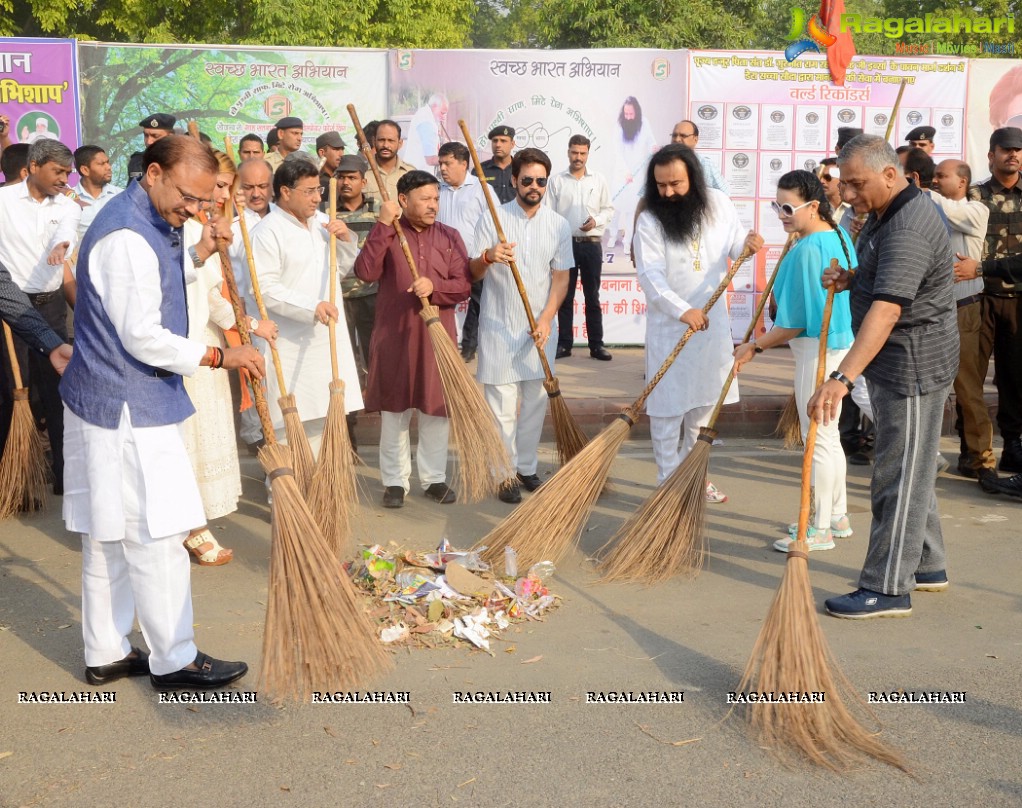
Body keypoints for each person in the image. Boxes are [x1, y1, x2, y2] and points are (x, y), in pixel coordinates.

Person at [60, 135, 264, 688]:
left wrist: (197, 255)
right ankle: (174, 658)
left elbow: (159, 290)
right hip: (130, 403)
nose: (195, 211)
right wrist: (222, 355)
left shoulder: (150, 219)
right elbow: (143, 334)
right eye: (190, 198)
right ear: (153, 173)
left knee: (109, 531)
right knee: (159, 531)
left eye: (204, 202)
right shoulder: (127, 235)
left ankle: (105, 651)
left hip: (106, 399)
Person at [809, 134, 957, 619]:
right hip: (897, 361)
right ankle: (929, 565)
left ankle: (888, 587)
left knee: (897, 475)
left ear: (890, 175)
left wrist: (841, 378)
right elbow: (885, 282)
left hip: (912, 363)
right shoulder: (886, 212)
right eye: (844, 184)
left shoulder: (909, 226)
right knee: (910, 464)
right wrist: (852, 280)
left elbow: (889, 310)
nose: (848, 195)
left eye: (856, 184)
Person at [734, 170, 856, 551]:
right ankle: (836, 516)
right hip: (838, 349)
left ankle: (817, 530)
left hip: (816, 352)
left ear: (813, 206)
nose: (782, 215)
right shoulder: (837, 236)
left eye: (787, 208)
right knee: (829, 437)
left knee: (817, 439)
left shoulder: (807, 248)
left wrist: (755, 347)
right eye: (777, 206)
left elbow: (795, 322)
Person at [633, 144, 763, 502]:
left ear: (693, 176)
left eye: (675, 184)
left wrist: (746, 244)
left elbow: (734, 243)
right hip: (670, 327)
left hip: (712, 326)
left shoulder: (718, 203)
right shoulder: (650, 219)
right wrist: (681, 310)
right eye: (660, 186)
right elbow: (650, 276)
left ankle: (694, 479)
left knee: (704, 406)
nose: (668, 193)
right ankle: (667, 483)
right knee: (667, 409)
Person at [180, 150, 276, 566]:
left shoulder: (208, 225)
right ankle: (188, 526)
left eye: (226, 188)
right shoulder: (185, 228)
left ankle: (192, 520)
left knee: (209, 432)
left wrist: (249, 325)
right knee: (189, 437)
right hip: (190, 342)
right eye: (216, 186)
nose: (221, 195)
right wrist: (251, 327)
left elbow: (218, 295)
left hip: (211, 339)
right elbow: (202, 291)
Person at [353, 170, 471, 508]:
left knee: (436, 410)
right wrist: (382, 226)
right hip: (394, 336)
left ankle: (433, 478)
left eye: (436, 198)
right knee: (395, 411)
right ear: (403, 201)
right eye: (425, 199)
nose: (433, 205)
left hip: (437, 337)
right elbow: (365, 273)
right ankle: (394, 481)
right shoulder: (388, 234)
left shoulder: (449, 237)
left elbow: (463, 285)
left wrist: (436, 287)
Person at [469, 147, 573, 504]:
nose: (534, 186)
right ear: (513, 180)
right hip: (499, 326)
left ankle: (526, 468)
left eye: (541, 181)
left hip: (538, 330)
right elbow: (472, 272)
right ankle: (503, 473)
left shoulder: (558, 224)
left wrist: (546, 319)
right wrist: (488, 257)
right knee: (501, 406)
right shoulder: (493, 218)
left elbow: (560, 279)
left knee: (534, 403)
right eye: (526, 179)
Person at [248, 155, 363, 454]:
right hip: (288, 341)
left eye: (319, 191)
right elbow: (264, 288)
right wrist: (311, 306)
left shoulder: (324, 223)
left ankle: (321, 493)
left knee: (325, 421)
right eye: (309, 191)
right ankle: (289, 495)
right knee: (290, 426)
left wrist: (348, 239)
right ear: (286, 192)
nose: (316, 198)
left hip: (325, 342)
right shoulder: (267, 231)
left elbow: (343, 268)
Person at [0, 138, 81, 492]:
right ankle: (11, 481)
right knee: (11, 392)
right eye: (57, 171)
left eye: (67, 172)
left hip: (50, 307)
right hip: (9, 308)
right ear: (33, 167)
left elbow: (65, 235)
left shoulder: (68, 207)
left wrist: (61, 247)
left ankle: (66, 477)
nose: (64, 179)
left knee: (57, 392)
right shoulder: (2, 202)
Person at [960, 127, 1022, 478]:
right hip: (977, 299)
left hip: (1018, 300)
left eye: (1018, 150)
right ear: (991, 155)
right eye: (1005, 150)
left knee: (1015, 377)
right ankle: (972, 450)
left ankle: (1013, 444)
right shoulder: (974, 195)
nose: (1012, 155)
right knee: (970, 377)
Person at [931, 159, 996, 492]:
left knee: (968, 388)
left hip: (964, 310)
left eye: (942, 176)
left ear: (962, 182)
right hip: (933, 311)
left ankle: (983, 459)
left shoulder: (975, 211)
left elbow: (940, 205)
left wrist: (911, 187)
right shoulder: (929, 208)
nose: (935, 181)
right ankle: (947, 457)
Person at [546, 134, 614, 361]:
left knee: (592, 296)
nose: (578, 157)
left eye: (582, 153)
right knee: (564, 297)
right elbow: (548, 215)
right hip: (565, 245)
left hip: (591, 246)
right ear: (568, 152)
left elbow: (608, 210)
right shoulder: (556, 181)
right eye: (574, 152)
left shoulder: (598, 180)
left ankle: (597, 345)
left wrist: (596, 221)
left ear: (588, 153)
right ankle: (564, 344)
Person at [332, 153, 379, 452]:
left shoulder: (377, 216)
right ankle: (348, 436)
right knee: (345, 367)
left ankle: (391, 435)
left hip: (373, 296)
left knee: (378, 361)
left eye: (352, 177)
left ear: (364, 181)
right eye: (341, 177)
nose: (346, 182)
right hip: (339, 299)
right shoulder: (325, 214)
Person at [463, 126, 516, 362]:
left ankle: (509, 345)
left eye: (503, 140)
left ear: (512, 143)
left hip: (514, 239)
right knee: (478, 296)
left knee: (511, 293)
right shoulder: (481, 171)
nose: (498, 144)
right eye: (494, 140)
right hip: (487, 239)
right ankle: (469, 346)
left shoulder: (520, 168)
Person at [435, 141, 487, 361]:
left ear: (464, 164)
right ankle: (442, 349)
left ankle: (470, 348)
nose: (443, 169)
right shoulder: (437, 189)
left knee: (479, 305)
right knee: (442, 305)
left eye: (448, 163)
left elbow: (493, 222)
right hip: (442, 261)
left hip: (473, 259)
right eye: (441, 164)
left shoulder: (481, 188)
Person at [609, 97, 657, 253]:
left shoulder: (645, 123)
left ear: (637, 112)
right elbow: (616, 151)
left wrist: (654, 147)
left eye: (631, 114)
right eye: (626, 113)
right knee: (615, 208)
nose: (628, 117)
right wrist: (625, 171)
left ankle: (627, 240)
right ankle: (612, 234)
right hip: (621, 173)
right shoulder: (619, 125)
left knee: (631, 209)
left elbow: (650, 142)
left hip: (637, 174)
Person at [74, 146, 122, 241]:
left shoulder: (121, 196)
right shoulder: (69, 200)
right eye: (101, 164)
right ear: (85, 170)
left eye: (107, 162)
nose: (108, 167)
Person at [669, 121, 730, 193]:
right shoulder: (663, 164)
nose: (677, 139)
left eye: (683, 136)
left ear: (695, 139)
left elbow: (725, 195)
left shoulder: (706, 165)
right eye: (674, 135)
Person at [364, 120, 415, 205]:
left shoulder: (411, 173)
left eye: (391, 140)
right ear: (373, 141)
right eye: (381, 140)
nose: (385, 145)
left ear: (400, 143)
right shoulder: (362, 172)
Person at [403, 93, 448, 171]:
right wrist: (450, 160)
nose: (444, 117)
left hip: (413, 169)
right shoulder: (427, 122)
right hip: (418, 173)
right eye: (442, 113)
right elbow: (431, 160)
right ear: (434, 106)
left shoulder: (423, 113)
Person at [127, 113, 175, 182]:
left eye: (155, 136)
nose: (149, 142)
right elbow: (133, 190)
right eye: (146, 135)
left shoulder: (181, 160)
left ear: (170, 137)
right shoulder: (138, 161)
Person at [316, 131, 346, 203]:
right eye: (336, 149)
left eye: (342, 149)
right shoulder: (314, 178)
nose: (341, 154)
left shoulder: (345, 177)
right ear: (322, 153)